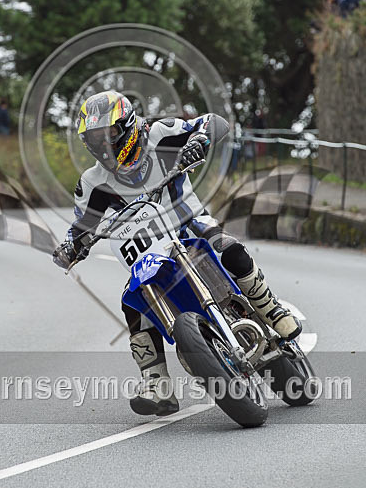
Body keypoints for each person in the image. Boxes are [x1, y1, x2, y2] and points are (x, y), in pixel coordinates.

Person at [52, 91, 302, 416]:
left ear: (126, 125)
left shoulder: (160, 134)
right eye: (94, 137)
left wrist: (199, 138)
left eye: (108, 133)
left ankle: (271, 311)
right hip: (147, 250)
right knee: (132, 301)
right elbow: (82, 225)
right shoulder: (92, 183)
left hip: (189, 223)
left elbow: (214, 122)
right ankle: (156, 383)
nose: (102, 142)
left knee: (228, 247)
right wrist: (71, 246)